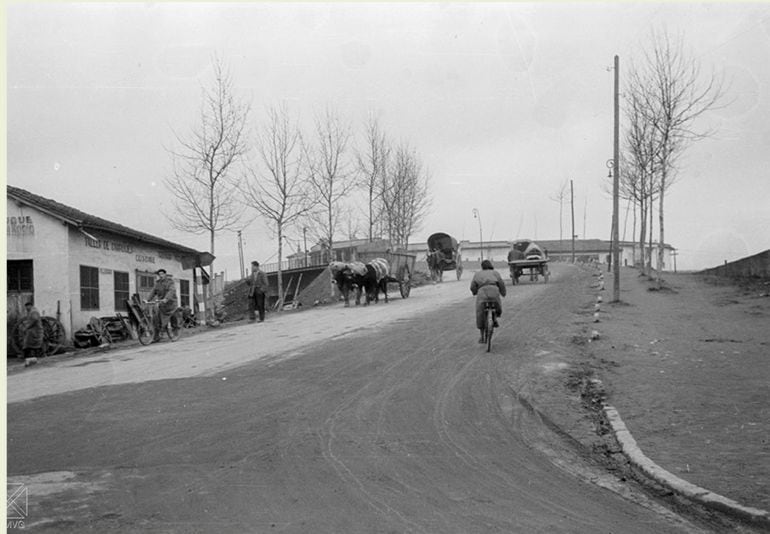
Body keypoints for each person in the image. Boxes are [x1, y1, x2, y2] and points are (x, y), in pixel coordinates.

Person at [469, 259, 507, 343]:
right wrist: (503, 293)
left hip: (482, 293)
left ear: (482, 267)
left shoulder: (477, 274)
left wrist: (475, 292)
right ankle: (495, 318)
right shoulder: (495, 273)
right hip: (494, 291)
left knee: (480, 312)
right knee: (497, 306)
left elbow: (472, 286)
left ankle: (482, 336)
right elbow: (501, 284)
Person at [148, 268, 178, 342]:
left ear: (165, 274)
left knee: (168, 319)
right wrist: (148, 299)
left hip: (171, 303)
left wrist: (166, 299)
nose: (161, 276)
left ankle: (173, 335)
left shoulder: (170, 282)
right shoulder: (157, 283)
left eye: (162, 274)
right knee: (156, 319)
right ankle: (156, 337)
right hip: (162, 303)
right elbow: (153, 291)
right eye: (159, 274)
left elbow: (171, 291)